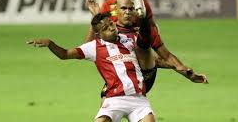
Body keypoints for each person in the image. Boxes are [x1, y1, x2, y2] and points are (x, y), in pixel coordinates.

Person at [85, 0, 208, 87]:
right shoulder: (113, 28)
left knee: (142, 48)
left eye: (132, 8)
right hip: (122, 77)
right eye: (123, 9)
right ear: (116, 11)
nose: (127, 12)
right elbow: (89, 47)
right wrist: (95, 18)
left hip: (144, 76)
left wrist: (183, 70)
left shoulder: (145, 32)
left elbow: (166, 56)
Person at [27, 12, 156, 122]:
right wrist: (50, 43)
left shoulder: (130, 39)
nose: (111, 28)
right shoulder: (93, 47)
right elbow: (64, 54)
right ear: (98, 34)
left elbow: (148, 55)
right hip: (115, 99)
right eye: (105, 28)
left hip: (139, 99)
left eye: (111, 23)